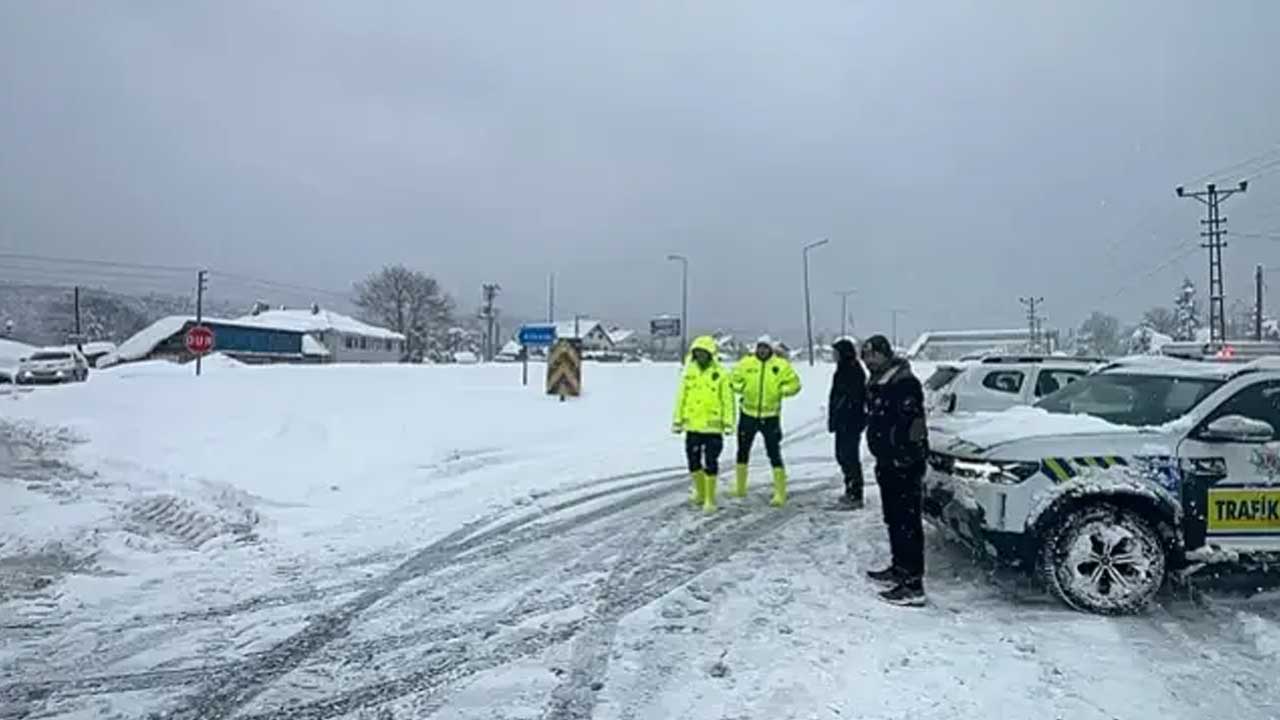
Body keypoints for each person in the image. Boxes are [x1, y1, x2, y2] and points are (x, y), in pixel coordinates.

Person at [861, 334, 929, 607]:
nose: (867, 361)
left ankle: (913, 584)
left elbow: (913, 426)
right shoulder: (878, 382)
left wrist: (905, 456)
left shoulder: (904, 382)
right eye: (865, 356)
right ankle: (899, 567)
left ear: (884, 354)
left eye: (872, 355)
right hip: (887, 461)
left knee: (907, 522)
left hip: (904, 463)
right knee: (893, 518)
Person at [730, 335, 802, 506]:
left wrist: (781, 391)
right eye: (760, 347)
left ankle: (780, 492)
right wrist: (742, 388)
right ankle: (740, 487)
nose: (762, 351)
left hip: (770, 417)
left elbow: (795, 385)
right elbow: (732, 380)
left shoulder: (781, 365)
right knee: (742, 451)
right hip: (748, 415)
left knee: (774, 453)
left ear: (770, 349)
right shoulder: (746, 363)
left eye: (765, 348)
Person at [672, 335, 736, 513]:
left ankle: (709, 498)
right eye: (697, 352)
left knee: (710, 462)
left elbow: (728, 400)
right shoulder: (689, 373)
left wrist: (729, 422)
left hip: (713, 427)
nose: (700, 355)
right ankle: (700, 492)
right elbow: (681, 398)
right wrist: (677, 420)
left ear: (710, 353)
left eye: (703, 352)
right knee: (693, 461)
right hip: (692, 425)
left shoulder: (721, 374)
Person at [828, 337, 867, 509]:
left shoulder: (853, 370)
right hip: (842, 421)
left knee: (850, 457)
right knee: (842, 456)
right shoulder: (841, 369)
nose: (833, 355)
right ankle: (849, 489)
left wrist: (846, 414)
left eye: (836, 352)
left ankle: (855, 494)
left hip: (851, 422)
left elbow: (854, 398)